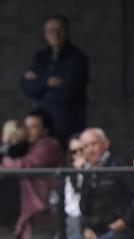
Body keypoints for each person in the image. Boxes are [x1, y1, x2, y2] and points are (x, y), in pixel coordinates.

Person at [20, 14, 89, 146]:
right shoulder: (40, 57)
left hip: (68, 122)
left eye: (59, 30)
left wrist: (39, 84)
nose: (55, 34)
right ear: (45, 34)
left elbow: (68, 91)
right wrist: (48, 81)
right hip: (43, 124)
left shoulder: (77, 58)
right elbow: (26, 87)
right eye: (50, 31)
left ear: (66, 32)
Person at [1, 109, 64, 239]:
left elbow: (24, 166)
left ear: (45, 130)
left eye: (34, 127)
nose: (28, 131)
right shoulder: (28, 146)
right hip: (28, 203)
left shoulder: (48, 145)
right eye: (27, 127)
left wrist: (3, 161)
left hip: (46, 202)